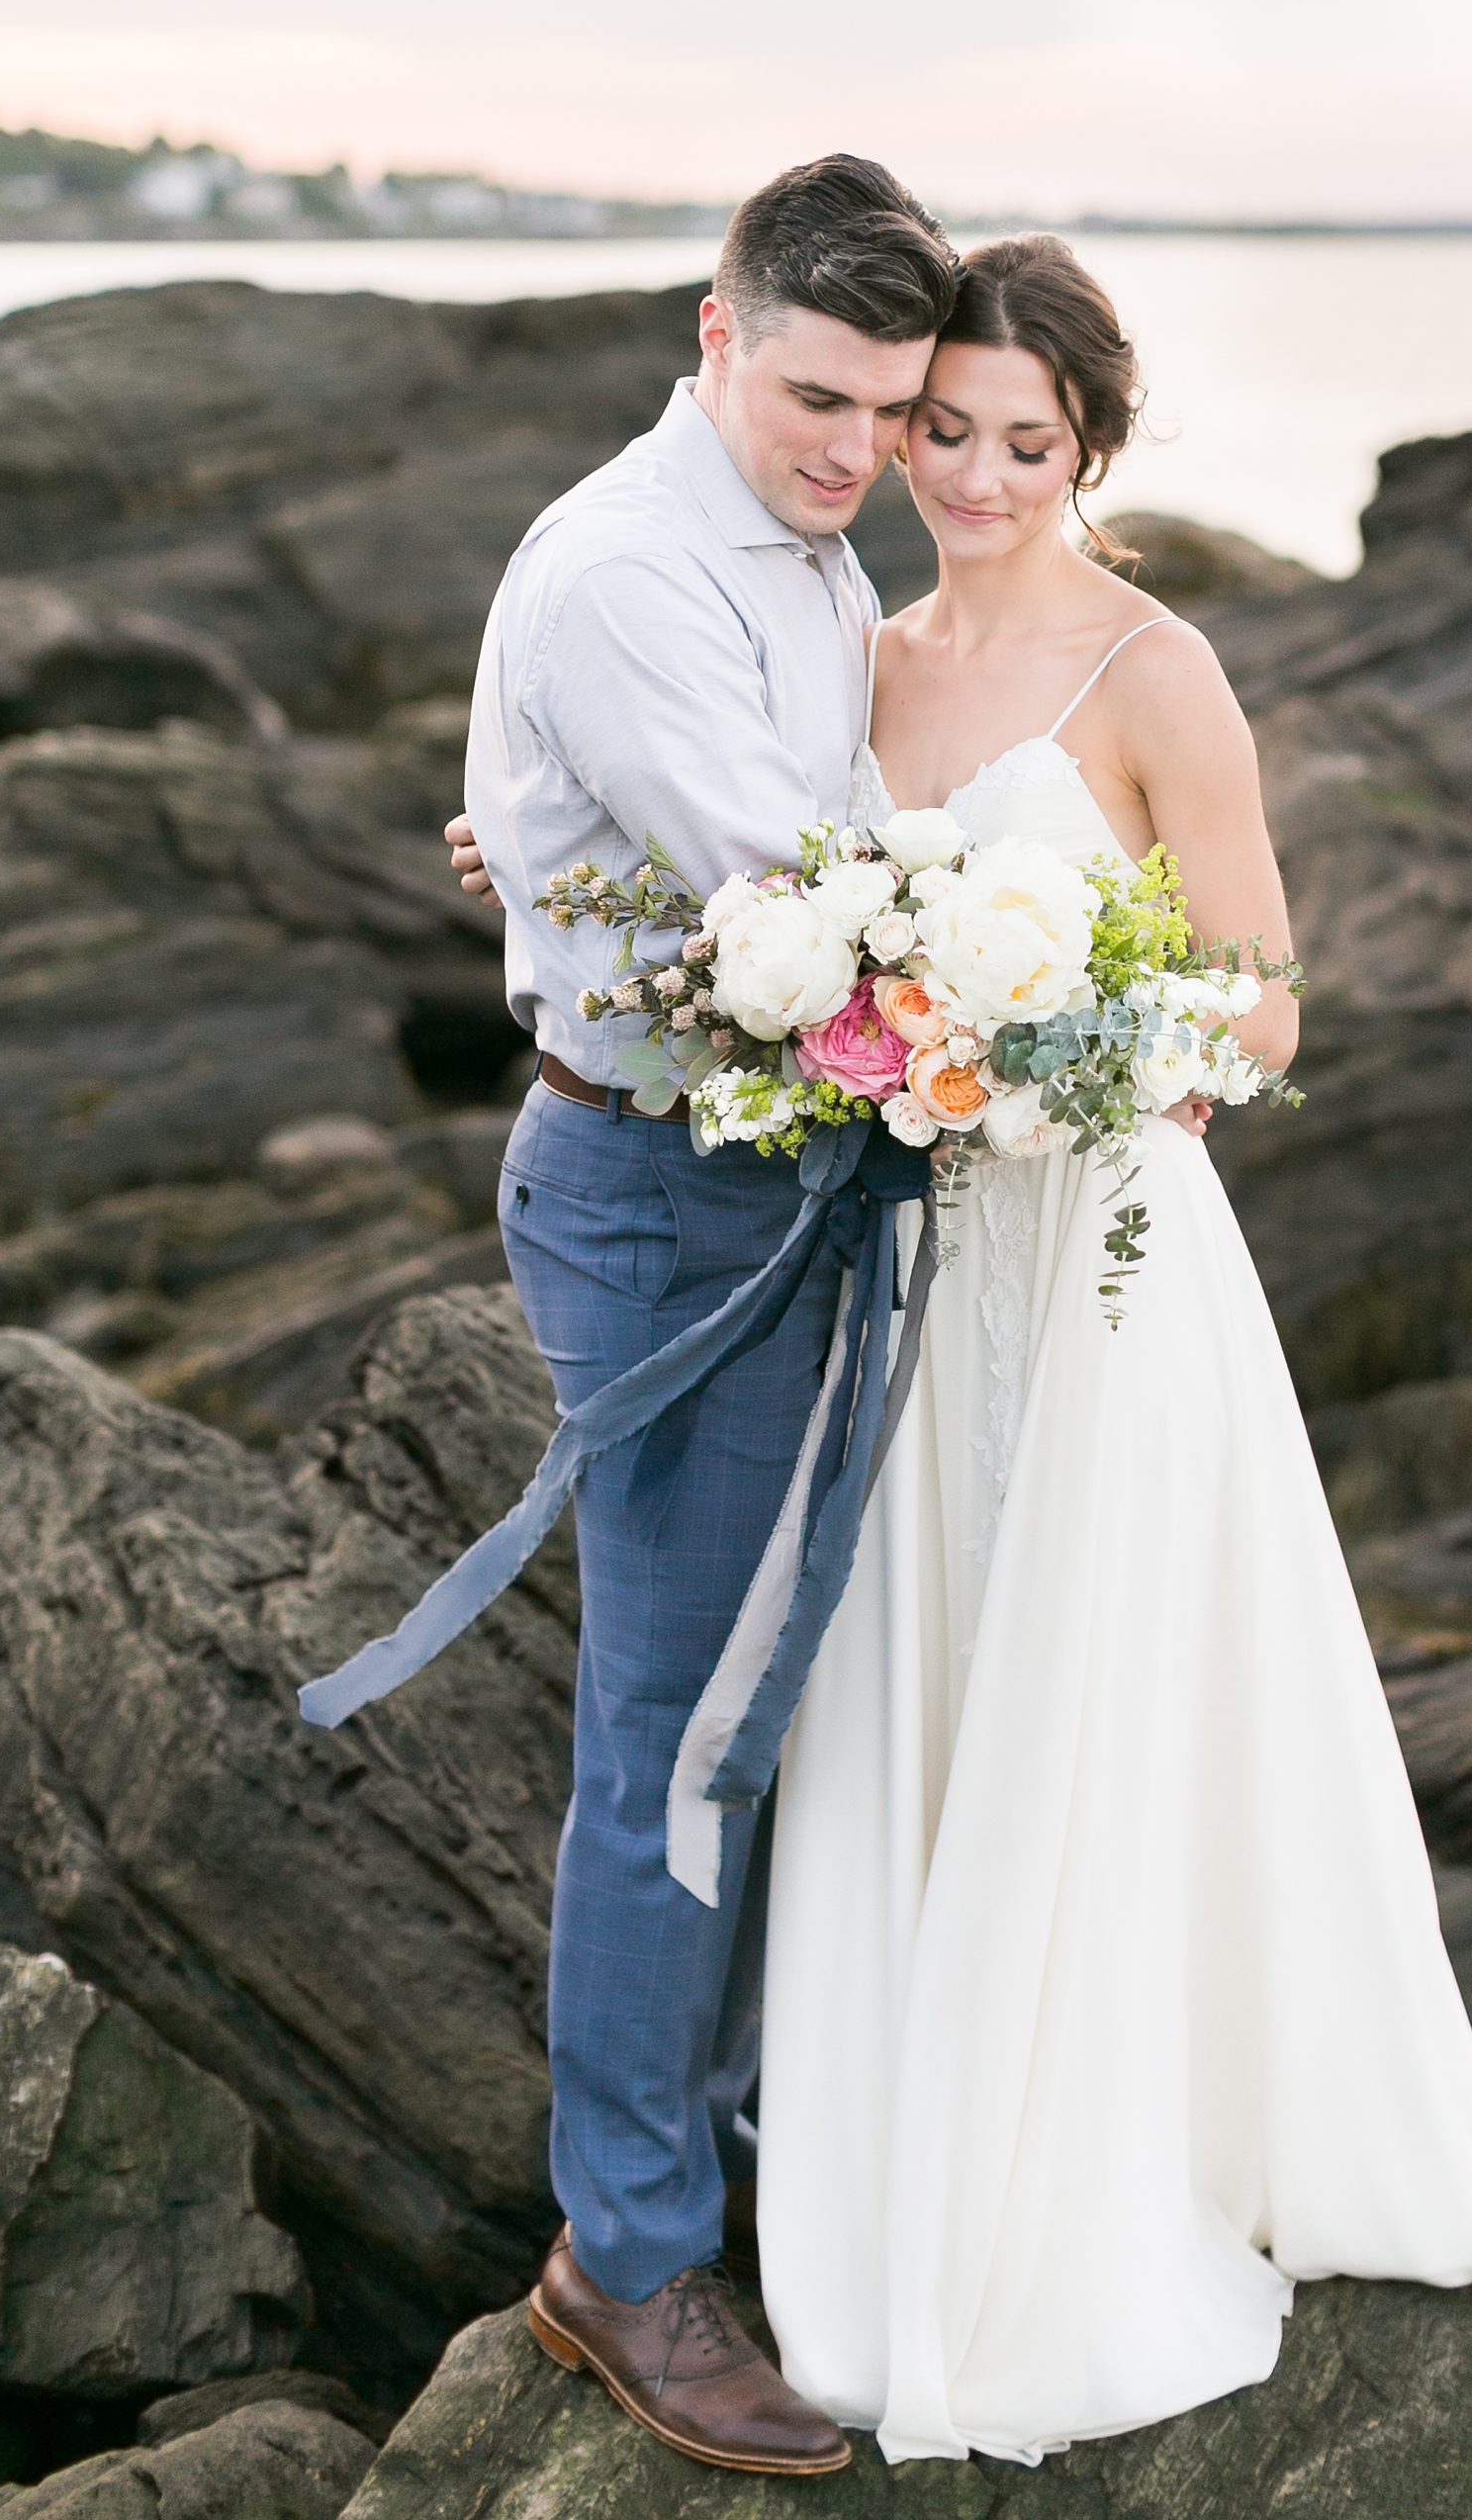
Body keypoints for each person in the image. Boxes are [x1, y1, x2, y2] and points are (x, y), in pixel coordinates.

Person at [439, 228, 1472, 2470]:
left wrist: (1077, 1038)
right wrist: (530, 836)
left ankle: (1094, 2147)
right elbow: (749, 896)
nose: (955, 472)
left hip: (1098, 1260)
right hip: (895, 1253)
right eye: (926, 428)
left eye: (1011, 440)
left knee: (1095, 1689)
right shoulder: (845, 656)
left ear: (1094, 445)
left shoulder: (1157, 671)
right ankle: (883, 2160)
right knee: (883, 1702)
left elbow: (1262, 997)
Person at [419, 153, 961, 2478]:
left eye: (895, 410)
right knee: (680, 1733)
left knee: (759, 1708)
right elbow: (816, 891)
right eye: (819, 394)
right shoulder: (639, 572)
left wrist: (521, 834)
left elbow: (825, 815)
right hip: (666, 1194)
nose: (858, 451)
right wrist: (1077, 993)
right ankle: (628, 2262)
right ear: (715, 331)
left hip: (775, 1162)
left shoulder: (802, 547)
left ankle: (720, 2163)